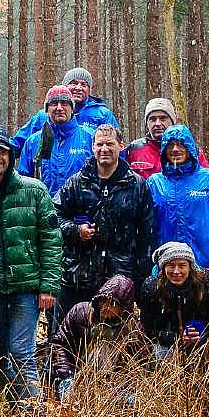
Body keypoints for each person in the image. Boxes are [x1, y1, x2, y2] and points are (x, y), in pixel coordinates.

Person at [0, 125, 62, 406]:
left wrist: (48, 285)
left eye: (1, 153)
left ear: (10, 156)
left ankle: (32, 412)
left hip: (25, 288)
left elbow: (51, 241)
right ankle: (14, 408)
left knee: (21, 350)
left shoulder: (34, 191)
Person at [52, 124, 155, 321]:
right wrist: (75, 230)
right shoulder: (77, 182)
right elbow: (54, 217)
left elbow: (146, 235)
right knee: (69, 333)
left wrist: (141, 276)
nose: (104, 149)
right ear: (92, 147)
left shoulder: (137, 185)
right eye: (99, 144)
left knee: (113, 337)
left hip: (120, 278)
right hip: (78, 274)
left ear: (121, 146)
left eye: (110, 144)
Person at [139, 241, 209, 417]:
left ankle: (208, 407)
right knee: (163, 360)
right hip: (166, 342)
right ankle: (169, 407)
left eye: (182, 266)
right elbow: (149, 329)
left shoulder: (206, 281)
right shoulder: (151, 287)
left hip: (202, 339)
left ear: (190, 266)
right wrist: (178, 339)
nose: (176, 272)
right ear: (163, 268)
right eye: (171, 266)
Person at [146, 124, 209, 284]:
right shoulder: (155, 183)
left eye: (181, 144)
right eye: (170, 145)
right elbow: (146, 226)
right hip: (168, 269)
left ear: (190, 147)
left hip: (206, 266)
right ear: (163, 150)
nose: (175, 149)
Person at [47, 275, 141, 401]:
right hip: (75, 373)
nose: (106, 307)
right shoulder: (80, 312)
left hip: (114, 385)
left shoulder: (134, 328)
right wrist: (66, 376)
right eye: (103, 301)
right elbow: (60, 345)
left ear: (122, 308)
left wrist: (121, 388)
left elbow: (139, 366)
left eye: (113, 304)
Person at [12, 67, 119, 157]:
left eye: (84, 85)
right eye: (73, 83)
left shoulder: (102, 115)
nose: (78, 88)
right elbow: (19, 143)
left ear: (89, 90)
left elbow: (115, 147)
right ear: (65, 86)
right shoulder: (44, 116)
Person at [17, 86, 94, 198]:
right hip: (45, 210)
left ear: (72, 108)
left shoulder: (89, 137)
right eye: (54, 103)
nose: (59, 108)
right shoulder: (33, 142)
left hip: (80, 211)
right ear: (47, 109)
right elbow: (23, 182)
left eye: (64, 103)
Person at [126, 98, 207, 179]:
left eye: (163, 118)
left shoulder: (190, 149)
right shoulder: (135, 149)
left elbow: (204, 179)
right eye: (153, 119)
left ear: (172, 121)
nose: (157, 123)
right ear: (147, 123)